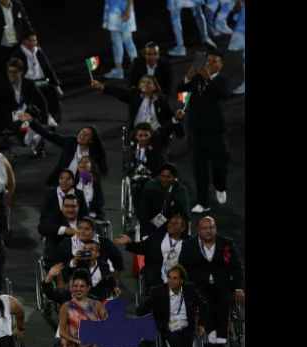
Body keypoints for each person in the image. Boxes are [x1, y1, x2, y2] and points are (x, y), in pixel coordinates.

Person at [177, 52, 231, 214]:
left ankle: (220, 186)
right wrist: (187, 77)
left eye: (213, 61)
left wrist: (208, 79)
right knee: (199, 169)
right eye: (207, 61)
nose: (209, 64)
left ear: (220, 65)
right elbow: (180, 90)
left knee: (220, 165)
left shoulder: (222, 80)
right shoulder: (196, 79)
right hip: (196, 131)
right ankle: (203, 202)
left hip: (215, 132)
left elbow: (223, 95)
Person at [178, 216, 244, 346]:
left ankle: (221, 333)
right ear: (198, 230)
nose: (208, 230)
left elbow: (236, 267)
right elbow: (182, 268)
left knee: (224, 300)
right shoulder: (188, 245)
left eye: (211, 227)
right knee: (204, 301)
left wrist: (238, 288)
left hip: (222, 285)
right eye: (204, 228)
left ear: (216, 228)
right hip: (199, 286)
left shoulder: (227, 243)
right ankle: (211, 330)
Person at [137, 264, 208, 347]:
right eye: (169, 277)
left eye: (175, 278)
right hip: (167, 328)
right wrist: (150, 324)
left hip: (186, 327)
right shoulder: (158, 292)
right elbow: (141, 310)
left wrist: (202, 325)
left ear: (182, 280)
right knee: (174, 339)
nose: (171, 281)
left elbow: (204, 307)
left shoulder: (190, 290)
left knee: (188, 339)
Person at [115, 214, 189, 290]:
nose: (171, 225)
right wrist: (130, 242)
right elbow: (142, 247)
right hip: (157, 270)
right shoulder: (157, 237)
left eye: (176, 223)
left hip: (180, 272)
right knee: (149, 274)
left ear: (182, 228)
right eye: (170, 222)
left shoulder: (189, 242)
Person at [91, 74, 173, 132]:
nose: (145, 84)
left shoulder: (161, 100)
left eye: (149, 83)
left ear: (155, 87)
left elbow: (169, 115)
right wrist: (102, 86)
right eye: (143, 82)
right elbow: (118, 92)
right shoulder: (134, 96)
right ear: (140, 86)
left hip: (155, 134)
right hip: (137, 134)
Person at [138, 162, 190, 239]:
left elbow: (185, 213)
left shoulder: (180, 190)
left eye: (168, 177)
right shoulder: (151, 188)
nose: (165, 179)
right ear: (159, 176)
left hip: (172, 222)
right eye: (163, 176)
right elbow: (144, 212)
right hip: (153, 222)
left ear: (174, 178)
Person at [101, 0, 137, 80]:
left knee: (127, 40)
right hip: (113, 8)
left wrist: (128, 9)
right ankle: (118, 70)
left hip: (123, 8)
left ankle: (137, 68)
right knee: (116, 41)